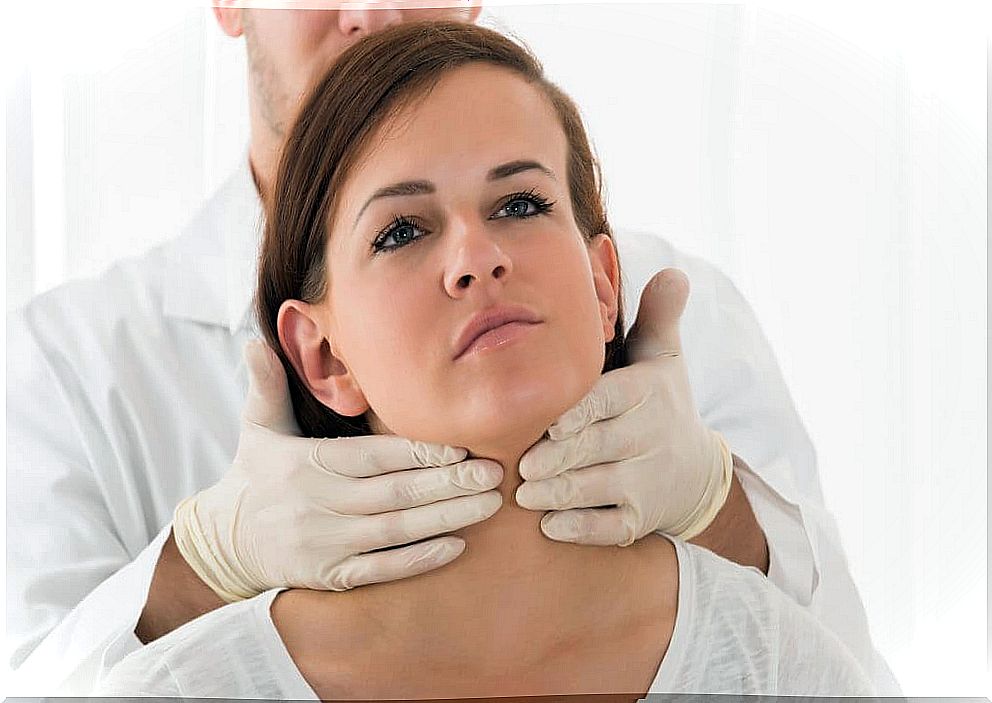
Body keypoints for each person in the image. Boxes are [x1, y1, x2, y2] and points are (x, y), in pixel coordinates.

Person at [5, 3, 898, 697]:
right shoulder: (71, 358)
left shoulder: (680, 303)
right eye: (400, 231)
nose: (372, 13)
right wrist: (199, 568)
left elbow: (844, 661)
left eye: (518, 205)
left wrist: (718, 505)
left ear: (604, 283)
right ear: (318, 355)